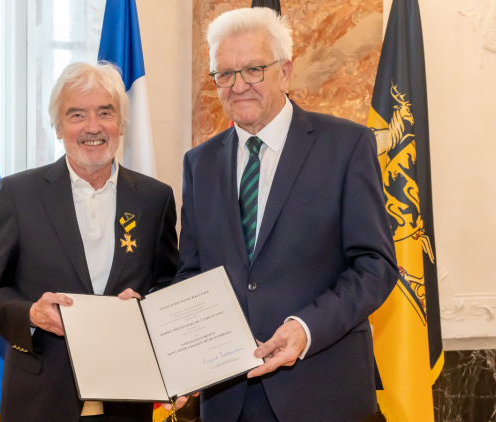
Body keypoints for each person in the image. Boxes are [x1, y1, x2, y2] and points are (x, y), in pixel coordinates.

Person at [171, 7, 398, 422]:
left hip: (324, 392)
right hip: (228, 401)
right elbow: (192, 276)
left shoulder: (346, 146)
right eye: (224, 74)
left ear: (285, 72)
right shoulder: (198, 164)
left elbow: (376, 266)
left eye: (254, 69)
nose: (238, 86)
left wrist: (305, 329)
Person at [0, 61, 178, 422]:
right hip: (39, 401)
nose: (93, 127)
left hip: (127, 402)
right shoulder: (19, 194)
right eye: (77, 114)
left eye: (105, 112)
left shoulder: (155, 198)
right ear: (58, 127)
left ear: (121, 123)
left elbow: (169, 284)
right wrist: (31, 314)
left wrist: (146, 308)